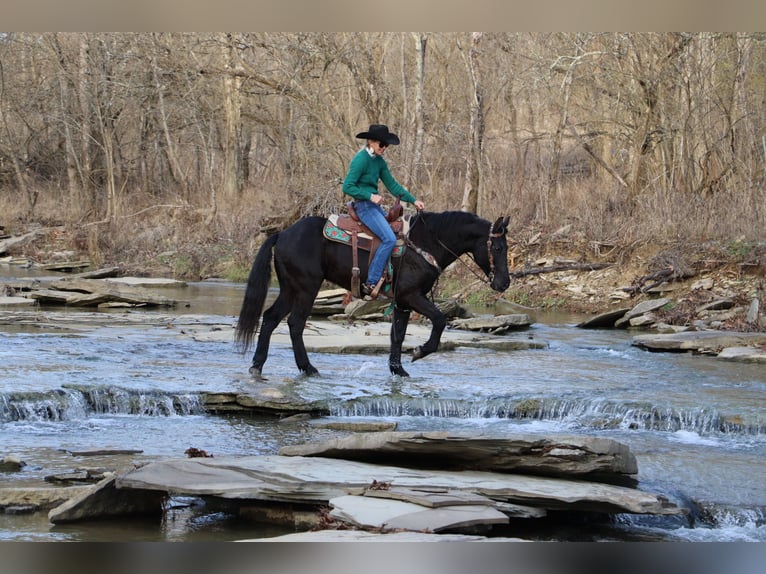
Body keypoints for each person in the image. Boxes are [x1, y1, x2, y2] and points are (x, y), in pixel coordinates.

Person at [343, 124, 425, 299]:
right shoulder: (361, 159)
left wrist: (413, 199)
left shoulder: (379, 162)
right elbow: (347, 186)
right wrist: (370, 196)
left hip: (374, 207)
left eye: (386, 145)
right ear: (371, 142)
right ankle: (371, 282)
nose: (384, 148)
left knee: (398, 235)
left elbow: (393, 185)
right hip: (364, 206)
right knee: (388, 238)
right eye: (382, 144)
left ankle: (389, 279)